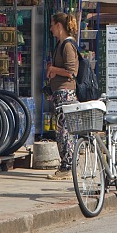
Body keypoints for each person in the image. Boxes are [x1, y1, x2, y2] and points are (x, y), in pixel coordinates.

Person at [46, 12, 80, 179]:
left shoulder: (67, 45)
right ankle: (69, 164)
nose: (51, 29)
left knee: (64, 131)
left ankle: (67, 167)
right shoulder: (60, 45)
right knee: (62, 130)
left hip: (66, 93)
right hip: (59, 92)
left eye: (52, 25)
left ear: (59, 25)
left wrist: (53, 70)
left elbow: (71, 72)